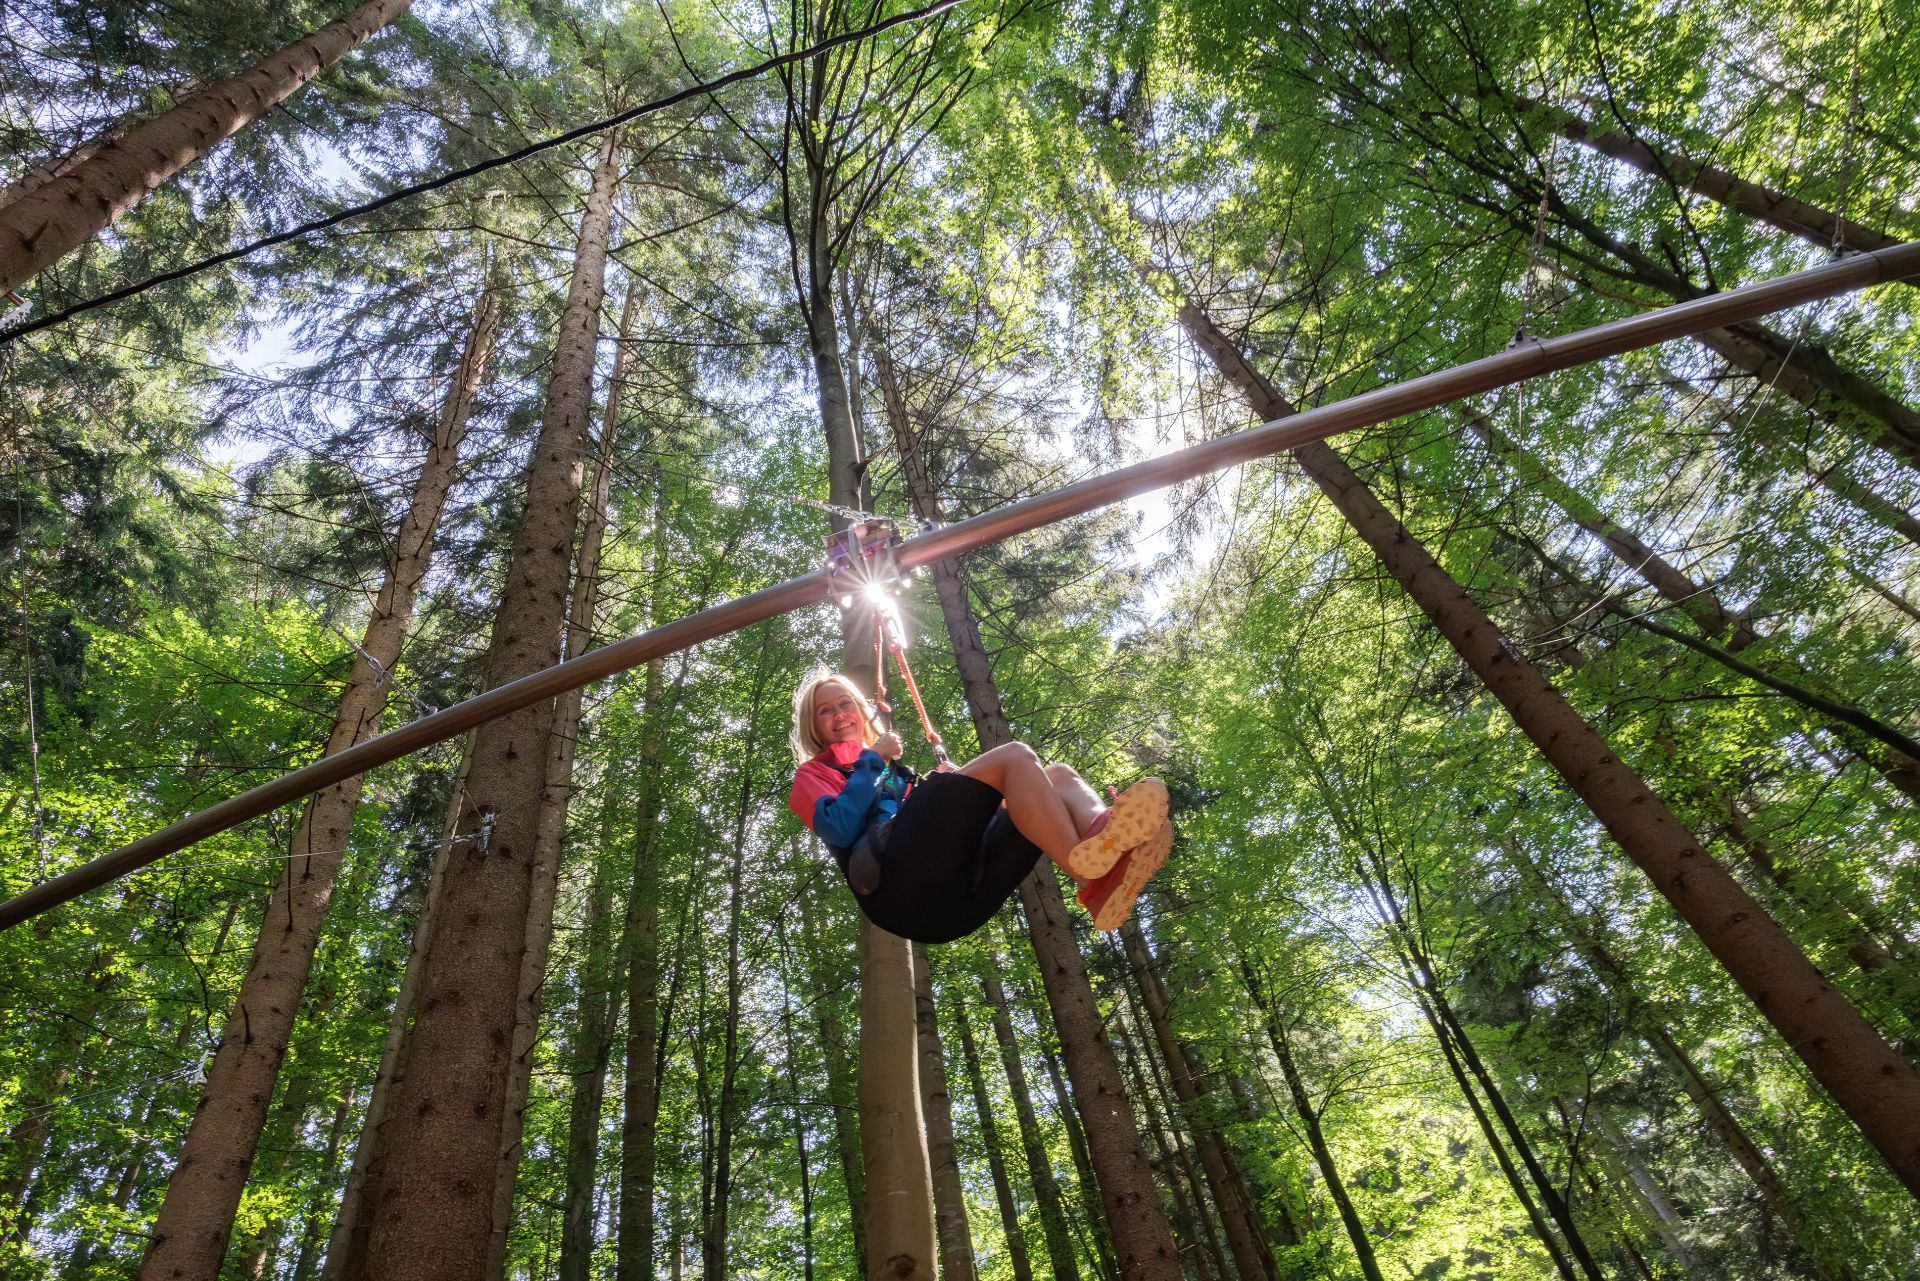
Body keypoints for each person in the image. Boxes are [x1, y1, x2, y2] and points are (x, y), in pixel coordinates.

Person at [787, 668, 1172, 943]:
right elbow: (839, 828)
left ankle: (1099, 855)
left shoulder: (894, 774)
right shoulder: (812, 775)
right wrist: (874, 758)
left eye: (845, 704)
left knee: (1056, 777)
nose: (840, 714)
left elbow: (935, 826)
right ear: (814, 725)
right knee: (1015, 756)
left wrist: (961, 793)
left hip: (956, 902)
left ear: (859, 711)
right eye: (826, 710)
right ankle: (1088, 873)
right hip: (898, 894)